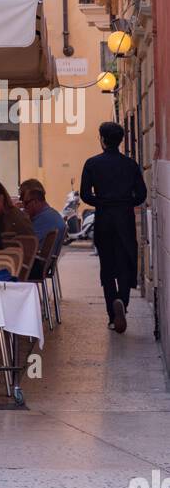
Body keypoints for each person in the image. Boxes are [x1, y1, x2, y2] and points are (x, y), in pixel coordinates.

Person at [80, 121, 147, 333]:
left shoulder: (92, 164)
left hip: (104, 220)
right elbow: (142, 195)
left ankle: (112, 314)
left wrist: (103, 202)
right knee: (125, 263)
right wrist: (125, 202)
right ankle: (123, 303)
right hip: (125, 220)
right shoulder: (130, 165)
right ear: (120, 140)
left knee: (107, 267)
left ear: (102, 139)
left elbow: (85, 195)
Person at [19, 181, 65, 264]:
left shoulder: (45, 219)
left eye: (25, 202)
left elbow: (25, 245)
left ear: (36, 201)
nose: (23, 206)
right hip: (40, 262)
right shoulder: (49, 214)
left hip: (34, 265)